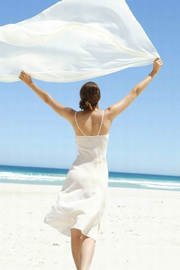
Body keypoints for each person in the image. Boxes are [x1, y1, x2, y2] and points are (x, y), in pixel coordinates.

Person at [19, 57, 163, 270]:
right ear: (99, 98)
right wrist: (153, 73)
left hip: (77, 174)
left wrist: (30, 83)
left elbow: (49, 100)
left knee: (75, 229)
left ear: (81, 97)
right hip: (96, 178)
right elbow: (134, 92)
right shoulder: (108, 115)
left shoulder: (74, 117)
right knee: (90, 228)